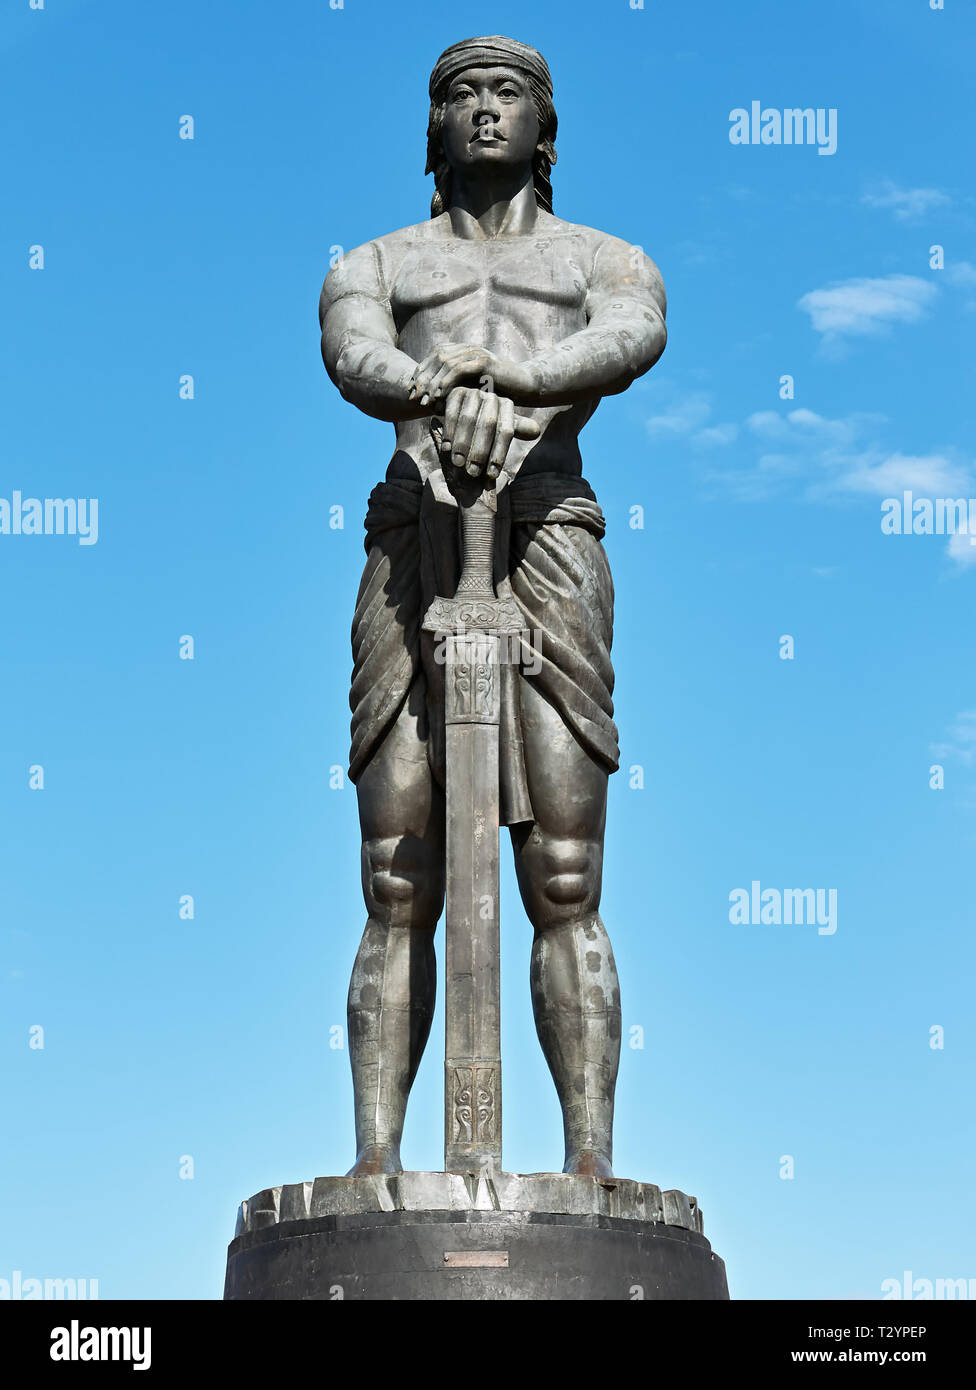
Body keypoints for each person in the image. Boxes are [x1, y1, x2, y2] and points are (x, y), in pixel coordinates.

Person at [319, 35, 667, 1178]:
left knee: (564, 870)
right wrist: (437, 387)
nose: (482, 110)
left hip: (548, 531)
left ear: (543, 123)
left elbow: (633, 334)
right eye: (460, 93)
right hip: (414, 532)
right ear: (432, 124)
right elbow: (352, 349)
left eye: (506, 92)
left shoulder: (598, 258)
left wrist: (519, 381)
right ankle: (376, 1160)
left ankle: (590, 1162)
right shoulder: (376, 259)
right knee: (395, 865)